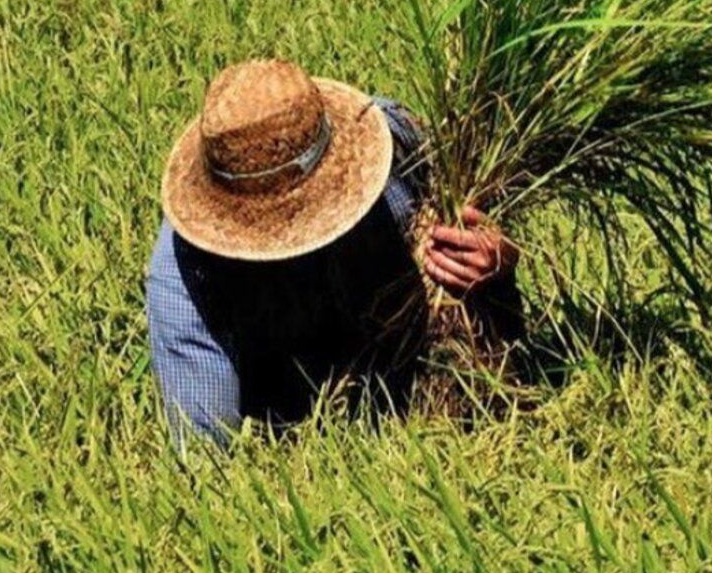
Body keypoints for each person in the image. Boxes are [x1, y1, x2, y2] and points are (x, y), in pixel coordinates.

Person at [147, 58, 519, 449]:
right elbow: (207, 468)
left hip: (421, 377)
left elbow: (491, 219)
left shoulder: (394, 143)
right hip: (301, 419)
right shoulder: (185, 284)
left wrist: (498, 264)